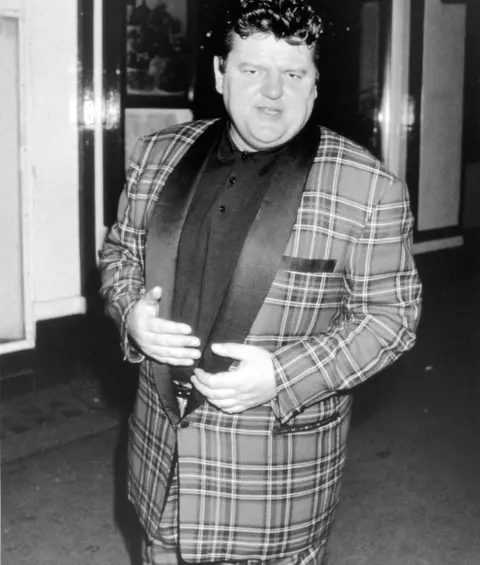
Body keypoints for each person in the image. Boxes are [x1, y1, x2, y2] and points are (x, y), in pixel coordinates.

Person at [98, 1, 422, 563]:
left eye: (293, 74)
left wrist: (281, 375)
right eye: (253, 70)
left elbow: (391, 318)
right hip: (159, 460)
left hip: (273, 488)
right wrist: (130, 313)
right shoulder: (156, 154)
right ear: (222, 74)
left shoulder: (370, 188)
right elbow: (122, 252)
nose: (273, 92)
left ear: (315, 85)